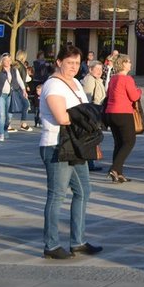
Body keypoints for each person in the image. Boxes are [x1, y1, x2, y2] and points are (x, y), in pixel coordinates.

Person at [38, 46, 101, 260]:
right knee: (57, 195)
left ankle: (78, 241)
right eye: (69, 62)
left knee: (84, 191)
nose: (74, 66)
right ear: (58, 62)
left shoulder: (75, 83)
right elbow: (62, 117)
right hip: (56, 144)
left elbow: (80, 112)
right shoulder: (53, 85)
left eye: (77, 62)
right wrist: (86, 115)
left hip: (75, 144)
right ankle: (51, 244)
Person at [104, 55, 142, 183]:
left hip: (110, 113)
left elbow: (108, 94)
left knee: (119, 143)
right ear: (123, 64)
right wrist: (139, 91)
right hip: (123, 113)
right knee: (129, 142)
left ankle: (118, 174)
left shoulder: (113, 79)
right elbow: (134, 96)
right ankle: (114, 168)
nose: (131, 64)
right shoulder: (127, 79)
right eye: (129, 62)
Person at [0, 54, 29, 141]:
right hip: (0, 95)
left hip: (10, 94)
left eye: (9, 60)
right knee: (2, 114)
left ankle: (5, 129)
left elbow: (19, 80)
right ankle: (1, 133)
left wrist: (24, 90)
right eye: (6, 60)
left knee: (9, 116)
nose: (8, 62)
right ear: (2, 61)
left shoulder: (14, 70)